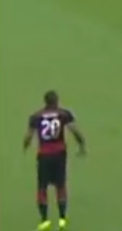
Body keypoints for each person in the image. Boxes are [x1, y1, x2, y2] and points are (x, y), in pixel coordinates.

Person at [24, 90, 85, 231]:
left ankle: (44, 220)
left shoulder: (36, 116)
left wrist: (25, 146)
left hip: (44, 155)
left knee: (42, 187)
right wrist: (81, 144)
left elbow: (29, 136)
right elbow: (74, 130)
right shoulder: (64, 114)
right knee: (61, 186)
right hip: (59, 154)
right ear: (57, 101)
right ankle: (62, 219)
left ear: (45, 101)